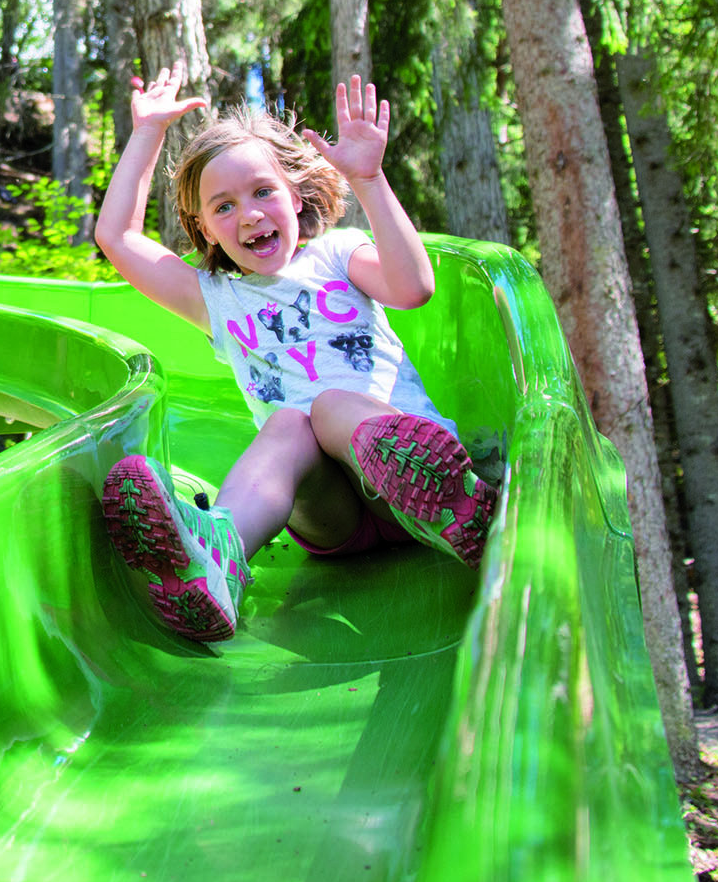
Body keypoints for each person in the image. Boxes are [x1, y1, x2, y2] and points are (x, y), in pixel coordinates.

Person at [93, 66, 496, 642]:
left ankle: (453, 501)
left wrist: (369, 179)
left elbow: (413, 288)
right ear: (204, 230)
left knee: (330, 406)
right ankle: (218, 563)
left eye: (263, 192)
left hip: (408, 484)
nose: (249, 214)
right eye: (223, 207)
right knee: (289, 424)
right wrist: (147, 132)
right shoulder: (216, 299)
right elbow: (117, 238)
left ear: (295, 195)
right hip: (332, 516)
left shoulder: (337, 253)